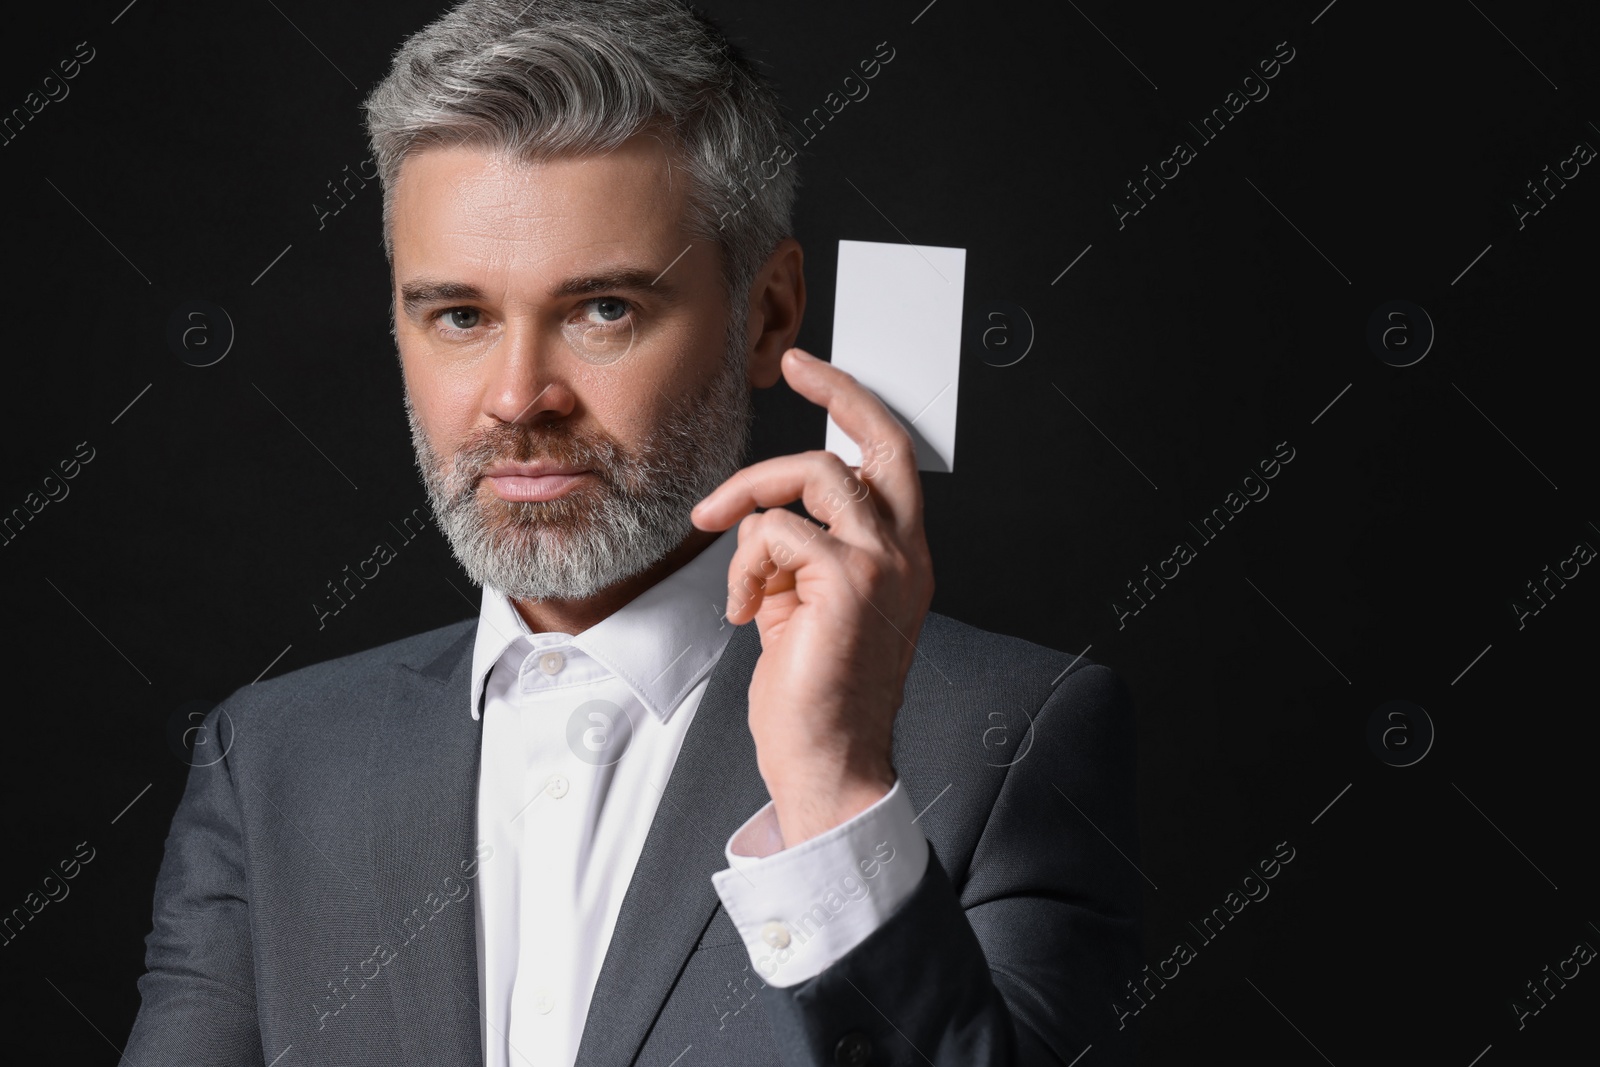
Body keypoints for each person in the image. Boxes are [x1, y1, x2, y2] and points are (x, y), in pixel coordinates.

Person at [125, 2, 1142, 1063]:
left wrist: (834, 794)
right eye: (459, 316)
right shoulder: (272, 761)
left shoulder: (1011, 737)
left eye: (603, 308)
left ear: (769, 313)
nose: (517, 398)